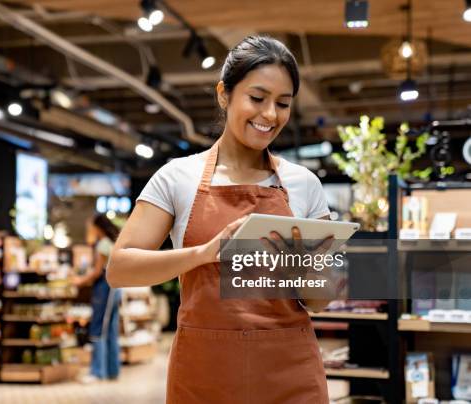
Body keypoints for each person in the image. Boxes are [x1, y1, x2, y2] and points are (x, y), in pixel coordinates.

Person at [107, 36, 334, 403]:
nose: (270, 115)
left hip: (289, 373)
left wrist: (310, 269)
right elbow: (120, 269)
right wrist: (205, 253)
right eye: (257, 99)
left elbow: (321, 300)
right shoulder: (177, 177)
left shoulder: (304, 184)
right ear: (224, 94)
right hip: (204, 373)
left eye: (283, 103)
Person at [73, 214, 121, 383]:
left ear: (97, 227)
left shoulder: (103, 245)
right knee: (111, 330)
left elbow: (96, 272)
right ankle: (112, 370)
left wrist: (80, 281)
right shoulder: (112, 242)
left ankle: (97, 371)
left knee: (98, 328)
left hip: (105, 289)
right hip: (115, 289)